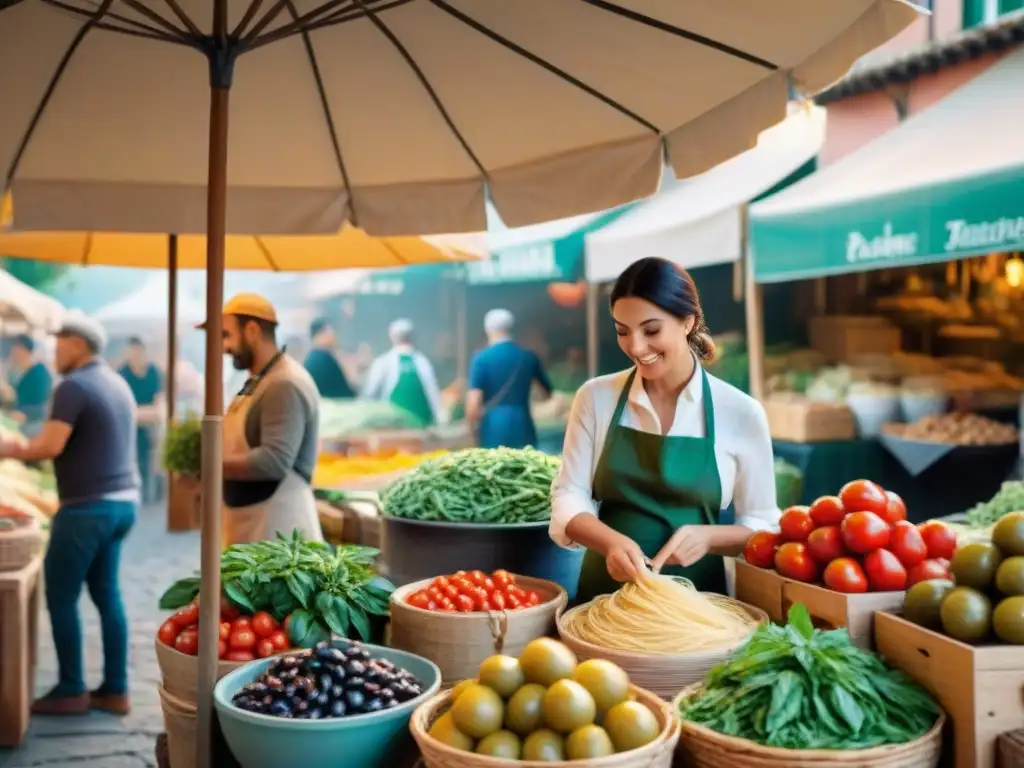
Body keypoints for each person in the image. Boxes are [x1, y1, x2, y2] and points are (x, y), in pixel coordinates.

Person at [550, 257, 779, 603]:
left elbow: (764, 525)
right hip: (605, 601)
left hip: (697, 608)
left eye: (651, 330)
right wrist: (609, 542)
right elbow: (569, 494)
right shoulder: (595, 398)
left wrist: (709, 537)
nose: (637, 348)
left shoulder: (741, 412)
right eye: (622, 331)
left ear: (687, 322)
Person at [0, 311, 138, 716]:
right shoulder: (116, 381)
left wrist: (9, 447)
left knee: (60, 595)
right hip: (122, 503)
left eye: (60, 342)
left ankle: (71, 689)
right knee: (107, 594)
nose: (54, 350)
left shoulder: (73, 385)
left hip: (86, 509)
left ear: (78, 344)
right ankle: (116, 689)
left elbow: (50, 445)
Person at [203, 293, 323, 546]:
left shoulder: (284, 385)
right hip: (256, 527)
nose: (223, 347)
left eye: (226, 335)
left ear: (253, 331)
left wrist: (211, 461)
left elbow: (274, 461)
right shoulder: (260, 380)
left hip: (279, 530)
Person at [466, 309, 552, 449]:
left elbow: (473, 401)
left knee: (493, 465)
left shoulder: (481, 359)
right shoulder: (528, 357)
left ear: (488, 329)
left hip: (492, 425)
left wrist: (471, 428)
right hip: (522, 422)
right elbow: (547, 393)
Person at [362, 318, 442, 428]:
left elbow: (369, 394)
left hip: (392, 427)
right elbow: (433, 396)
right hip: (422, 427)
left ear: (392, 338)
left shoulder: (384, 362)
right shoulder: (423, 362)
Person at [117, 337, 164, 504]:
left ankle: (157, 490)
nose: (135, 355)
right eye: (132, 352)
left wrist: (141, 412)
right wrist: (142, 412)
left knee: (154, 455)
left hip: (151, 424)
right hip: (130, 425)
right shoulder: (123, 373)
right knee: (134, 458)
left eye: (138, 351)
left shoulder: (154, 372)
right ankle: (139, 494)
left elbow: (159, 406)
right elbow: (123, 406)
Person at [4, 334, 53, 437]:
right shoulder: (13, 371)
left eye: (17, 349)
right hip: (13, 423)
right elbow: (12, 398)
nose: (13, 352)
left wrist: (24, 413)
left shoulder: (40, 374)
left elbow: (41, 406)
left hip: (31, 427)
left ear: (25, 351)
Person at [303, 318, 355, 399]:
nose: (334, 336)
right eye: (329, 331)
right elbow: (341, 391)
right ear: (319, 334)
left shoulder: (314, 357)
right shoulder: (322, 359)